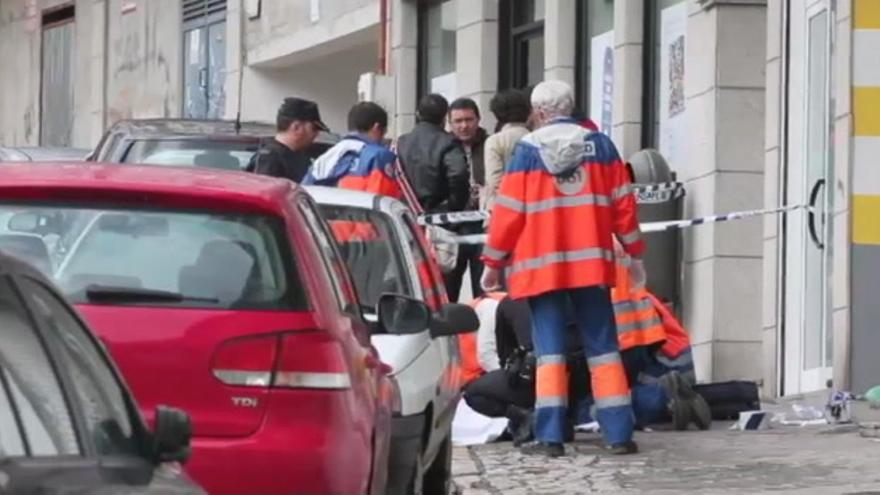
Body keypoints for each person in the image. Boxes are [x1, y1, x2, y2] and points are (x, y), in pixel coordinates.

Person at [480, 80, 644, 457]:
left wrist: (493, 263)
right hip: (591, 267)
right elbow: (624, 205)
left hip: (543, 270)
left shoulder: (526, 152)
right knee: (603, 349)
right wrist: (634, 254)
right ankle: (619, 434)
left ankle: (551, 437)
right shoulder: (601, 147)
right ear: (571, 106)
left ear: (537, 113)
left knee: (549, 352)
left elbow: (508, 215)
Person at [303, 101, 401, 199]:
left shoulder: (323, 160)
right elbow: (385, 202)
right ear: (376, 127)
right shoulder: (379, 157)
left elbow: (303, 198)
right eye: (383, 132)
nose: (382, 139)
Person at [444, 97, 489, 301]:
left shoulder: (490, 144)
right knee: (449, 285)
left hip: (483, 223)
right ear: (450, 124)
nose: (464, 126)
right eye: (458, 121)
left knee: (484, 286)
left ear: (478, 120)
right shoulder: (444, 148)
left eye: (469, 120)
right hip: (453, 224)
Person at [397, 94, 470, 214]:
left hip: (407, 215)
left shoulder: (400, 143)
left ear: (417, 114)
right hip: (441, 214)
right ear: (445, 116)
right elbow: (458, 174)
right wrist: (455, 206)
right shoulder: (449, 142)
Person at [247, 97, 328, 183]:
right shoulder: (270, 159)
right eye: (314, 128)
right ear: (296, 127)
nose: (316, 134)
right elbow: (265, 194)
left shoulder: (295, 156)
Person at [484, 89, 531, 212]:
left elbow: (495, 181)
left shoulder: (495, 141)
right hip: (532, 206)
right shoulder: (536, 138)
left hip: (503, 208)